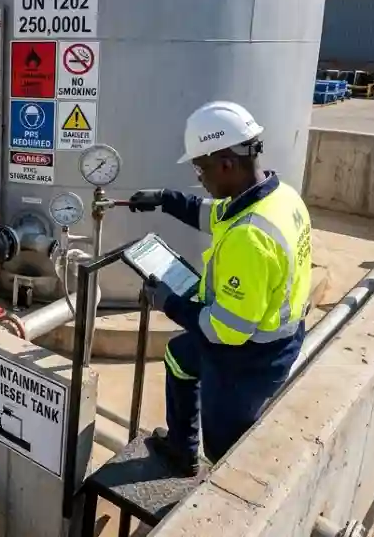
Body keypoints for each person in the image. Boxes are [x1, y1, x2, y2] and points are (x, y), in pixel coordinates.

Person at [126, 100, 312, 475]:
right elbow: (213, 214)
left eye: (201, 168)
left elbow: (225, 330)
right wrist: (165, 200)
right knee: (181, 355)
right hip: (271, 335)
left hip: (248, 357)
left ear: (227, 163)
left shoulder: (250, 237)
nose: (200, 178)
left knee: (226, 448)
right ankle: (181, 448)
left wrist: (169, 303)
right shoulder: (277, 196)